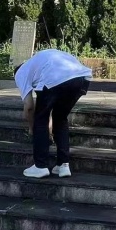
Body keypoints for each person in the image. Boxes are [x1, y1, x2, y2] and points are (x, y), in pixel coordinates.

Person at [16, 49, 93, 178]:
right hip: (81, 78)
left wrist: (31, 127)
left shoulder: (20, 72)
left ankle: (40, 166)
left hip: (55, 78)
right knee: (60, 118)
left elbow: (29, 107)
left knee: (40, 119)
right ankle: (63, 165)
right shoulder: (40, 62)